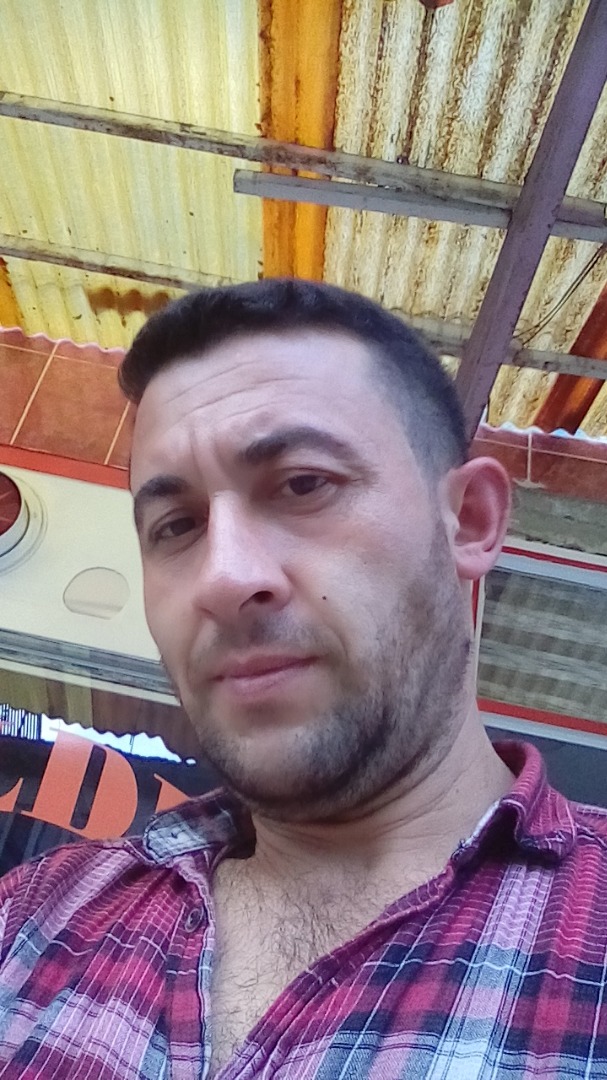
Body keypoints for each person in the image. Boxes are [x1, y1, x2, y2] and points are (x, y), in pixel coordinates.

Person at [0, 279, 606, 1080]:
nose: (223, 577)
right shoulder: (31, 921)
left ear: (466, 522)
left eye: (303, 483)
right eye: (175, 526)